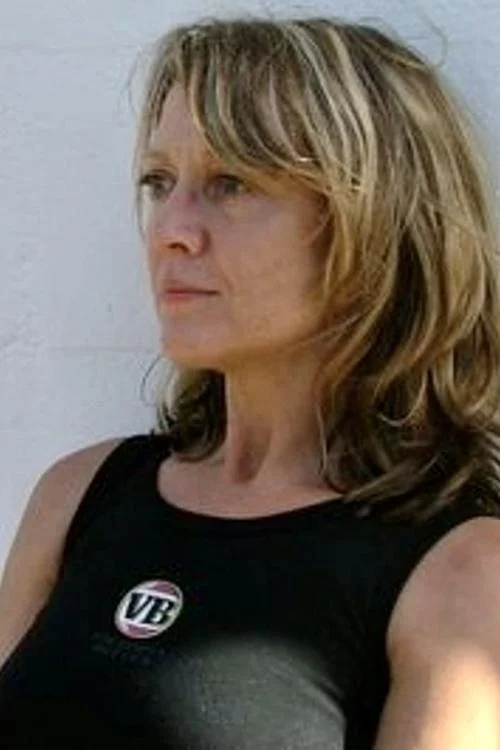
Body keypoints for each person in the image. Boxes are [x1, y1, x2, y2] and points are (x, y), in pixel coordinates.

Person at [1, 13, 500, 749]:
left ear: (372, 223)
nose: (171, 229)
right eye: (159, 182)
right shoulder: (79, 496)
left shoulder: (460, 570)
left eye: (231, 183)